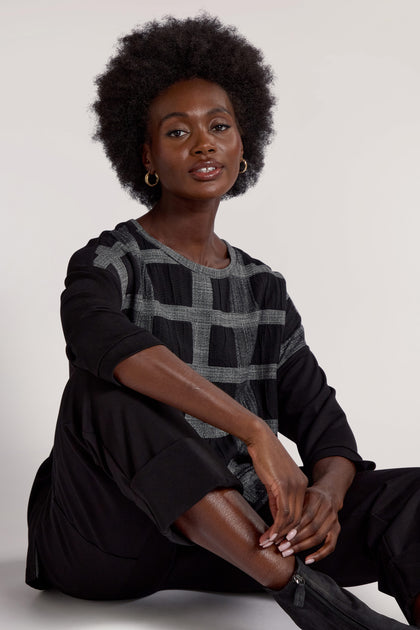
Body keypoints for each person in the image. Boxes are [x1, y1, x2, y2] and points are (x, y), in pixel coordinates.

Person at [25, 14, 420, 629]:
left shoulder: (263, 288)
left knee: (412, 499)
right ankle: (317, 604)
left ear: (244, 143)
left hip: (237, 538)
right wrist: (256, 434)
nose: (204, 143)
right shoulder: (110, 260)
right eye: (177, 132)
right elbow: (97, 338)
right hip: (110, 541)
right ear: (148, 155)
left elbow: (329, 435)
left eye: (219, 126)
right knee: (104, 391)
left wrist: (325, 497)